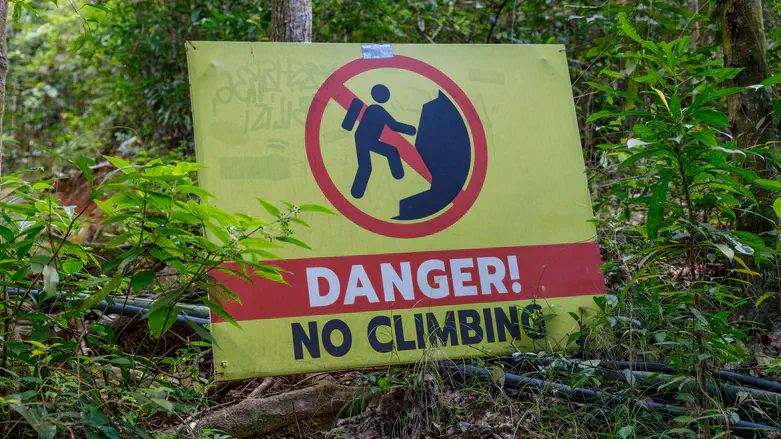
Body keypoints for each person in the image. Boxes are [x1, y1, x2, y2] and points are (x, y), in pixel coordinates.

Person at [350, 84, 417, 199]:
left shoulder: (379, 111)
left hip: (371, 140)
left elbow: (393, 125)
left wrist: (410, 130)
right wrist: (410, 130)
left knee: (391, 151)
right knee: (366, 166)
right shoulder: (374, 110)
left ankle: (398, 175)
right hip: (362, 139)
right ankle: (356, 193)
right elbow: (393, 125)